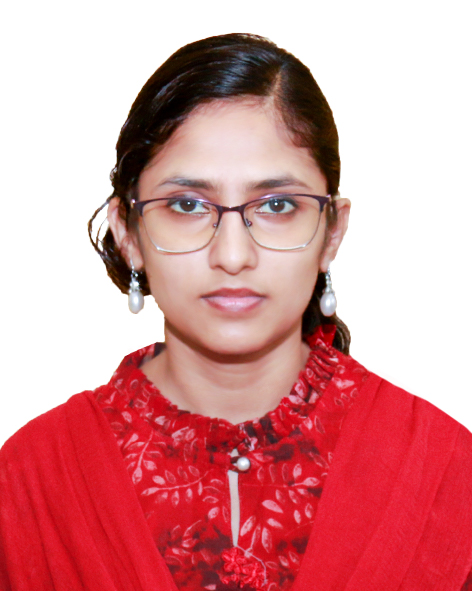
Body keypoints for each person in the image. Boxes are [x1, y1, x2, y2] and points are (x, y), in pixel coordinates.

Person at [0, 33, 471, 591]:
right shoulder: (30, 482)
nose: (232, 255)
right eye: (186, 205)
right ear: (128, 232)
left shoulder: (444, 473)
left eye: (276, 205)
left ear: (331, 232)